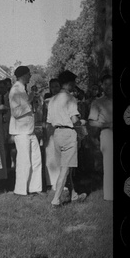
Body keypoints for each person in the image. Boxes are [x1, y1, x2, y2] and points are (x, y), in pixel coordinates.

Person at [46, 70, 88, 207]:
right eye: (74, 83)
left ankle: (74, 194)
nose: (74, 85)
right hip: (68, 133)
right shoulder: (70, 98)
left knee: (67, 167)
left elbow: (50, 120)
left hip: (56, 134)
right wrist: (82, 123)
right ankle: (56, 200)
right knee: (65, 169)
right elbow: (74, 120)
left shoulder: (52, 99)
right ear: (69, 83)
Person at [9, 65, 42, 196]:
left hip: (29, 130)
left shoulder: (23, 89)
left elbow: (28, 108)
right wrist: (29, 101)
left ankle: (35, 187)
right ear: (23, 75)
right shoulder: (15, 90)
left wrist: (32, 100)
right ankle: (20, 190)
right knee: (24, 161)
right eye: (28, 74)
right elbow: (16, 112)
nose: (30, 76)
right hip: (21, 131)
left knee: (36, 159)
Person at [88, 73, 113, 201]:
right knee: (109, 165)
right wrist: (107, 124)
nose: (109, 87)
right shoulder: (97, 102)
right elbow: (91, 121)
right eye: (106, 84)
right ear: (102, 86)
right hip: (107, 133)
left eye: (111, 84)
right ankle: (110, 196)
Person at [42, 78, 61, 191]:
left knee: (60, 155)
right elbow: (44, 117)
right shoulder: (47, 101)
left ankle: (62, 180)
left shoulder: (64, 100)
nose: (54, 89)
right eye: (52, 87)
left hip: (61, 128)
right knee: (51, 156)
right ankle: (52, 181)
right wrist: (44, 131)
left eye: (56, 86)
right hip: (50, 128)